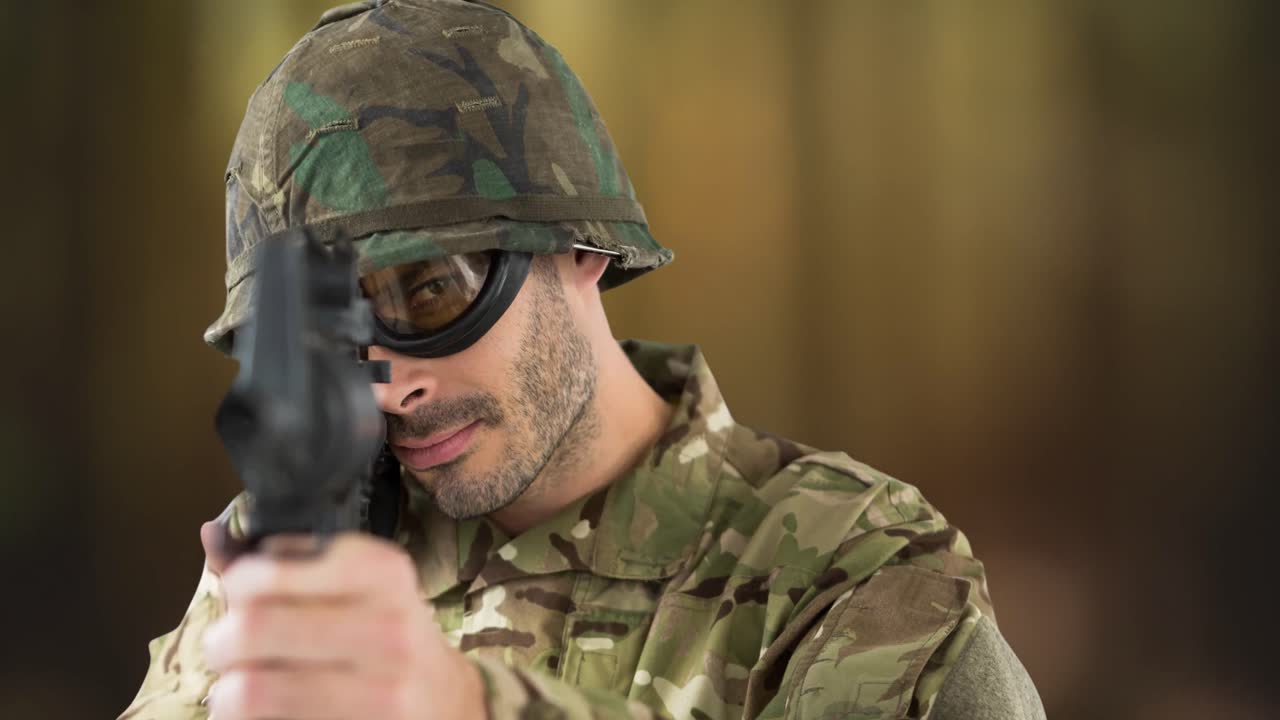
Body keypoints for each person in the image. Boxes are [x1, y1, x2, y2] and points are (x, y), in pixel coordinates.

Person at [119, 1, 1045, 718]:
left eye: (429, 293)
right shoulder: (321, 550)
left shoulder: (852, 574)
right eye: (328, 342)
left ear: (580, 250)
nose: (390, 386)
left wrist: (469, 705)